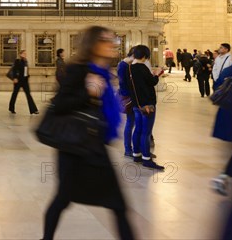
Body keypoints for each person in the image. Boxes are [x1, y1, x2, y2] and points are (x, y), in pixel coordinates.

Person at [42, 26, 134, 240]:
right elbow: (60, 105)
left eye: (113, 39)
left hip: (94, 148)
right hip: (75, 147)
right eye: (106, 40)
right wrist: (88, 92)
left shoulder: (103, 72)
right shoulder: (78, 69)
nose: (112, 44)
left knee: (118, 206)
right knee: (62, 200)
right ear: (93, 44)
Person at [129, 45, 165, 170]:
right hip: (147, 104)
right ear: (145, 56)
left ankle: (136, 155)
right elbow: (152, 82)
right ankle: (146, 159)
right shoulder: (142, 67)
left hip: (136, 103)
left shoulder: (130, 67)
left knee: (138, 129)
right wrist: (157, 74)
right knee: (146, 132)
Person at [210, 45, 232, 196]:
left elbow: (217, 86)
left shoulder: (228, 70)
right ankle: (223, 177)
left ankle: (224, 177)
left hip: (227, 115)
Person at [8, 50, 39, 115]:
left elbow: (26, 70)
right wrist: (14, 78)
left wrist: (27, 76)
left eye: (25, 53)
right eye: (24, 53)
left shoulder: (26, 61)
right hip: (18, 80)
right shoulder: (17, 61)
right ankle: (11, 108)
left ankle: (33, 110)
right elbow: (14, 70)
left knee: (28, 95)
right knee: (15, 94)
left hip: (25, 81)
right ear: (20, 54)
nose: (25, 54)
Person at [117, 48, 135, 158]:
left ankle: (130, 148)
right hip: (128, 97)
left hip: (127, 95)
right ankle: (128, 149)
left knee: (131, 123)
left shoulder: (123, 64)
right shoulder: (125, 66)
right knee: (130, 123)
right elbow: (125, 83)